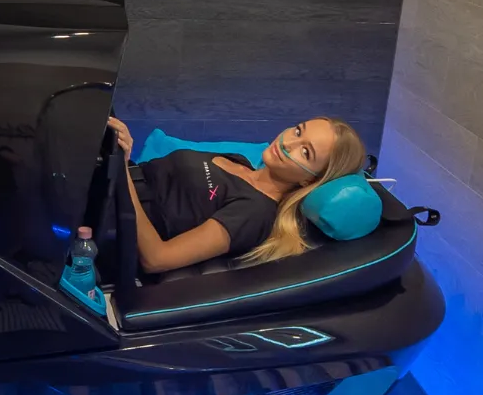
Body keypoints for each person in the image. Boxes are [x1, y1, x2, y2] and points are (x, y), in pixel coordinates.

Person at [107, 116, 367, 282]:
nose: (289, 143)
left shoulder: (256, 212)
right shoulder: (240, 162)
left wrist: (121, 168)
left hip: (107, 221)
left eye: (305, 152)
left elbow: (157, 258)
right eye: (298, 131)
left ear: (310, 181)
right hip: (107, 183)